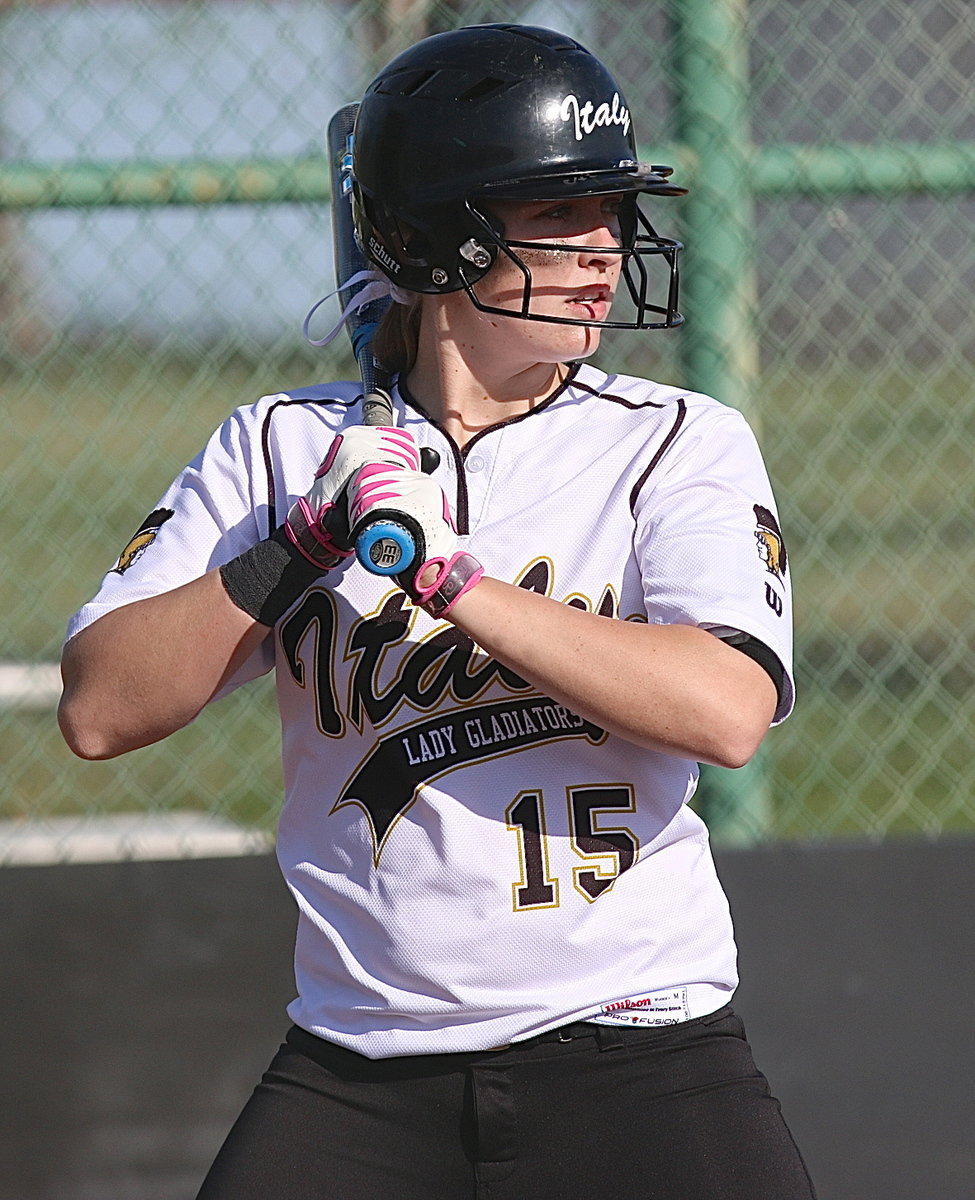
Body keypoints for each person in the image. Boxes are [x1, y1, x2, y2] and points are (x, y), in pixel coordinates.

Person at [58, 23, 816, 1200]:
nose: (604, 250)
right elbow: (102, 709)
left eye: (612, 212)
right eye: (560, 216)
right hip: (363, 1066)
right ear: (440, 237)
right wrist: (299, 544)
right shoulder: (281, 448)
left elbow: (726, 710)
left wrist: (452, 582)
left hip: (641, 1051)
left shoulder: (674, 442)